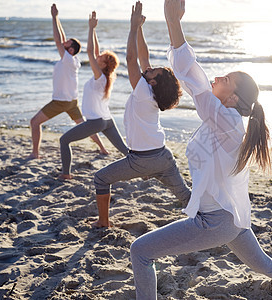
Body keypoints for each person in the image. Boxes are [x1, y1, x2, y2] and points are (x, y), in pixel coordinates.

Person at [129, 1, 272, 299]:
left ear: (232, 98)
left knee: (140, 251)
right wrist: (173, 23)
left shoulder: (227, 119)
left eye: (226, 79)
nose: (217, 77)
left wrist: (173, 20)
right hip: (232, 219)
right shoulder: (224, 118)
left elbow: (190, 73)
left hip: (215, 221)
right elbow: (195, 79)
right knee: (266, 265)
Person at [92, 1, 191, 228]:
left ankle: (103, 222)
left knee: (100, 178)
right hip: (164, 158)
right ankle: (213, 216)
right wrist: (140, 29)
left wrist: (133, 27)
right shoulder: (152, 92)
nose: (147, 68)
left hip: (141, 160)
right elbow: (143, 57)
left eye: (151, 71)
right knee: (185, 196)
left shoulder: (143, 92)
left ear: (153, 81)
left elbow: (131, 59)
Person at [28, 3, 108, 159]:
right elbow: (62, 39)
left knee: (34, 122)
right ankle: (103, 148)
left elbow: (58, 41)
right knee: (85, 126)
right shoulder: (72, 59)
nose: (63, 43)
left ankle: (35, 154)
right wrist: (57, 17)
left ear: (70, 50)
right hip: (72, 101)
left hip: (61, 101)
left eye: (67, 44)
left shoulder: (68, 60)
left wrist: (53, 17)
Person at [58, 11, 129, 180]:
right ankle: (146, 169)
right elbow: (95, 51)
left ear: (104, 64)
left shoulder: (100, 77)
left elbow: (90, 52)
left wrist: (90, 29)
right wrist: (94, 30)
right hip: (107, 120)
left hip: (96, 121)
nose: (98, 57)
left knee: (64, 140)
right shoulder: (106, 77)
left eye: (102, 58)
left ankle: (66, 174)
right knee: (125, 150)